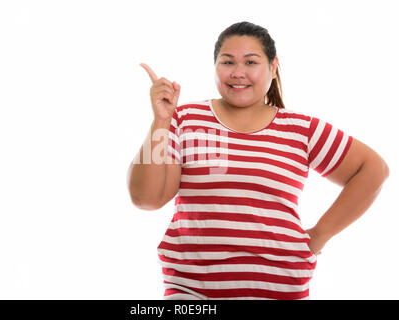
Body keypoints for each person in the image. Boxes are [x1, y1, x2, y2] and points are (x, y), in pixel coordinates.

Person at [126, 21, 389, 300]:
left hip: (280, 290)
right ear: (214, 66)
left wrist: (317, 237)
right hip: (191, 294)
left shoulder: (301, 129)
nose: (238, 73)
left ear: (273, 67)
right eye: (227, 62)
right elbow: (146, 198)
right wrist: (161, 121)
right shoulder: (186, 120)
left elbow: (373, 169)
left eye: (251, 62)